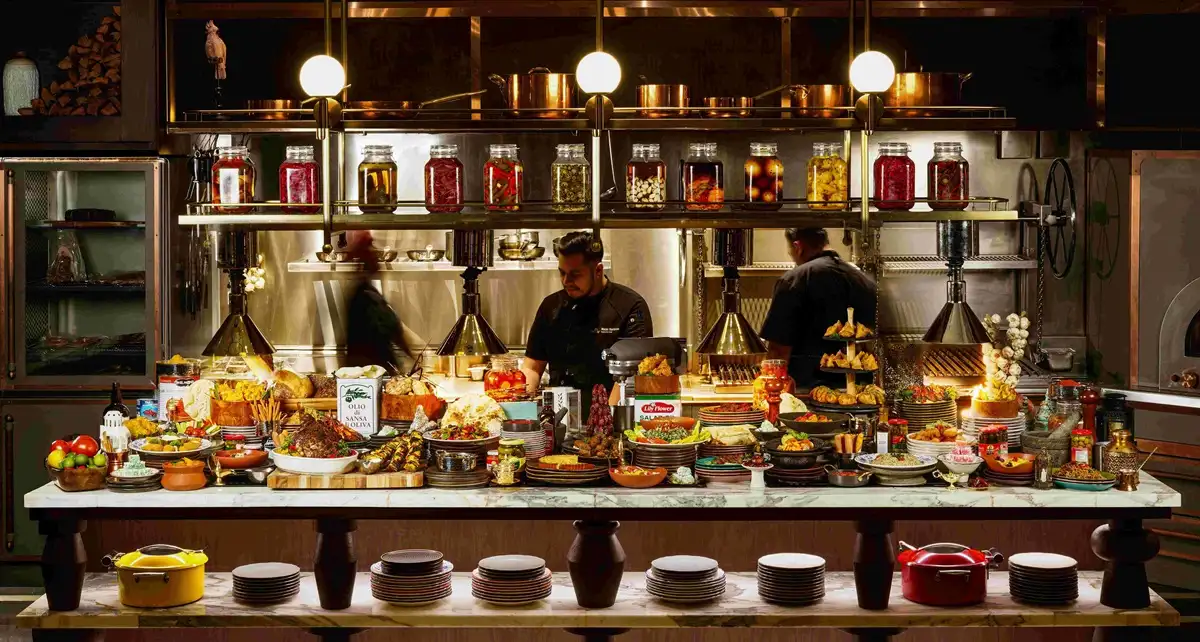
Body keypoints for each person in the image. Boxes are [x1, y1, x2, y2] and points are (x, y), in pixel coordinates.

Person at [521, 231, 653, 409]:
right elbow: (532, 367)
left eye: (575, 274)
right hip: (559, 417)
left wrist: (605, 418)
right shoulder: (551, 306)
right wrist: (522, 407)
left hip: (610, 416)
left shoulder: (630, 306)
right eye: (562, 273)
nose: (566, 281)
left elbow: (630, 377)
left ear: (598, 270)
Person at [759, 227, 877, 389]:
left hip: (807, 388)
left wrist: (768, 388)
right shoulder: (864, 281)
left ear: (798, 247)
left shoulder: (794, 280)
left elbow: (778, 352)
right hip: (859, 389)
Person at [342, 231, 413, 374]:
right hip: (372, 373)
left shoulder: (361, 291)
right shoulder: (366, 296)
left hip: (365, 371)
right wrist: (413, 357)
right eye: (370, 248)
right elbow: (394, 329)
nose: (374, 253)